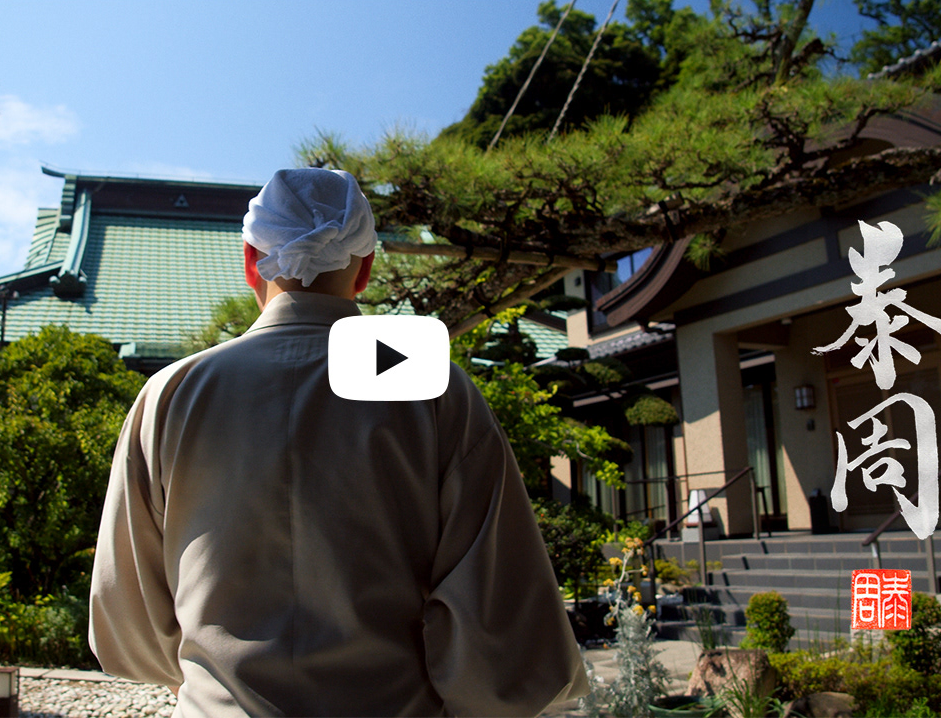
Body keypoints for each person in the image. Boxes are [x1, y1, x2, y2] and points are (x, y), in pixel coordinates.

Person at [89, 168, 589, 717]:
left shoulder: (172, 392)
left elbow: (128, 616)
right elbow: (499, 619)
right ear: (366, 268)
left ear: (250, 260)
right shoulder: (432, 386)